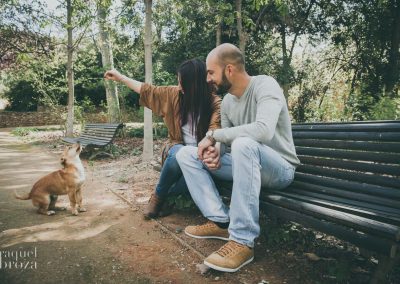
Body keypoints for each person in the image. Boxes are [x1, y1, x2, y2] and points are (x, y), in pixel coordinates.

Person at [176, 44, 300, 272]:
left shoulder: (265, 85)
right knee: (187, 154)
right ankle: (221, 221)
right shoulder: (229, 102)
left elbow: (263, 131)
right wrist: (215, 153)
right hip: (246, 163)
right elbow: (225, 144)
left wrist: (213, 135)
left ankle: (242, 241)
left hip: (280, 170)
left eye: (211, 72)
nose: (207, 79)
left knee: (244, 143)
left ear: (229, 70)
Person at [104, 59, 221, 219]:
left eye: (183, 83)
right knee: (179, 152)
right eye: (178, 82)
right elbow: (147, 90)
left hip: (201, 156)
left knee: (197, 170)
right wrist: (121, 77)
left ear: (195, 84)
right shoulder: (174, 94)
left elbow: (216, 130)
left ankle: (164, 195)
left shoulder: (214, 103)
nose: (179, 86)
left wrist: (209, 147)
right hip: (176, 150)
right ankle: (158, 197)